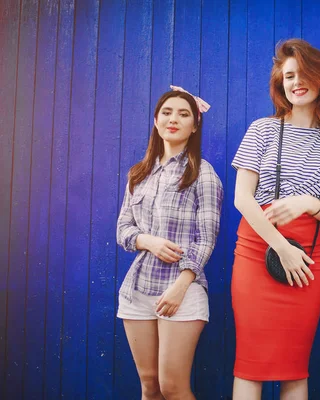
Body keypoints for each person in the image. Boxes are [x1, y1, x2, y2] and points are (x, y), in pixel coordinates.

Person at [230, 39, 320, 399]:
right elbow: (242, 198)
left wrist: (305, 203)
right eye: (288, 76)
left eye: (303, 73)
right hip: (259, 248)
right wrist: (280, 245)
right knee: (250, 364)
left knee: (295, 366)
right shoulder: (262, 129)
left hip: (309, 256)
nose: (295, 82)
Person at [116, 86, 223, 400]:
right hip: (137, 292)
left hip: (181, 293)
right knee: (149, 387)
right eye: (167, 112)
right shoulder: (139, 174)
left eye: (183, 113)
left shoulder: (202, 174)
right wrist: (147, 240)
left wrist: (180, 287)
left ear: (195, 125)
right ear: (156, 120)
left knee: (173, 388)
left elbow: (206, 239)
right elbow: (123, 229)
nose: (173, 119)